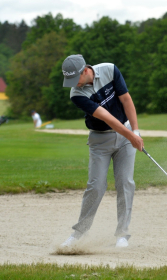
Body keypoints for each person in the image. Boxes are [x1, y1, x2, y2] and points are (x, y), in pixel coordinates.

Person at [60, 54, 144, 249]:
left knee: (125, 183)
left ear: (85, 71)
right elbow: (105, 117)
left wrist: (135, 131)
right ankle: (79, 233)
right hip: (100, 140)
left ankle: (122, 235)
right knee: (96, 186)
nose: (74, 84)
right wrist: (131, 136)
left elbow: (126, 100)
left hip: (125, 136)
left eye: (75, 79)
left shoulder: (110, 69)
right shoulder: (76, 94)